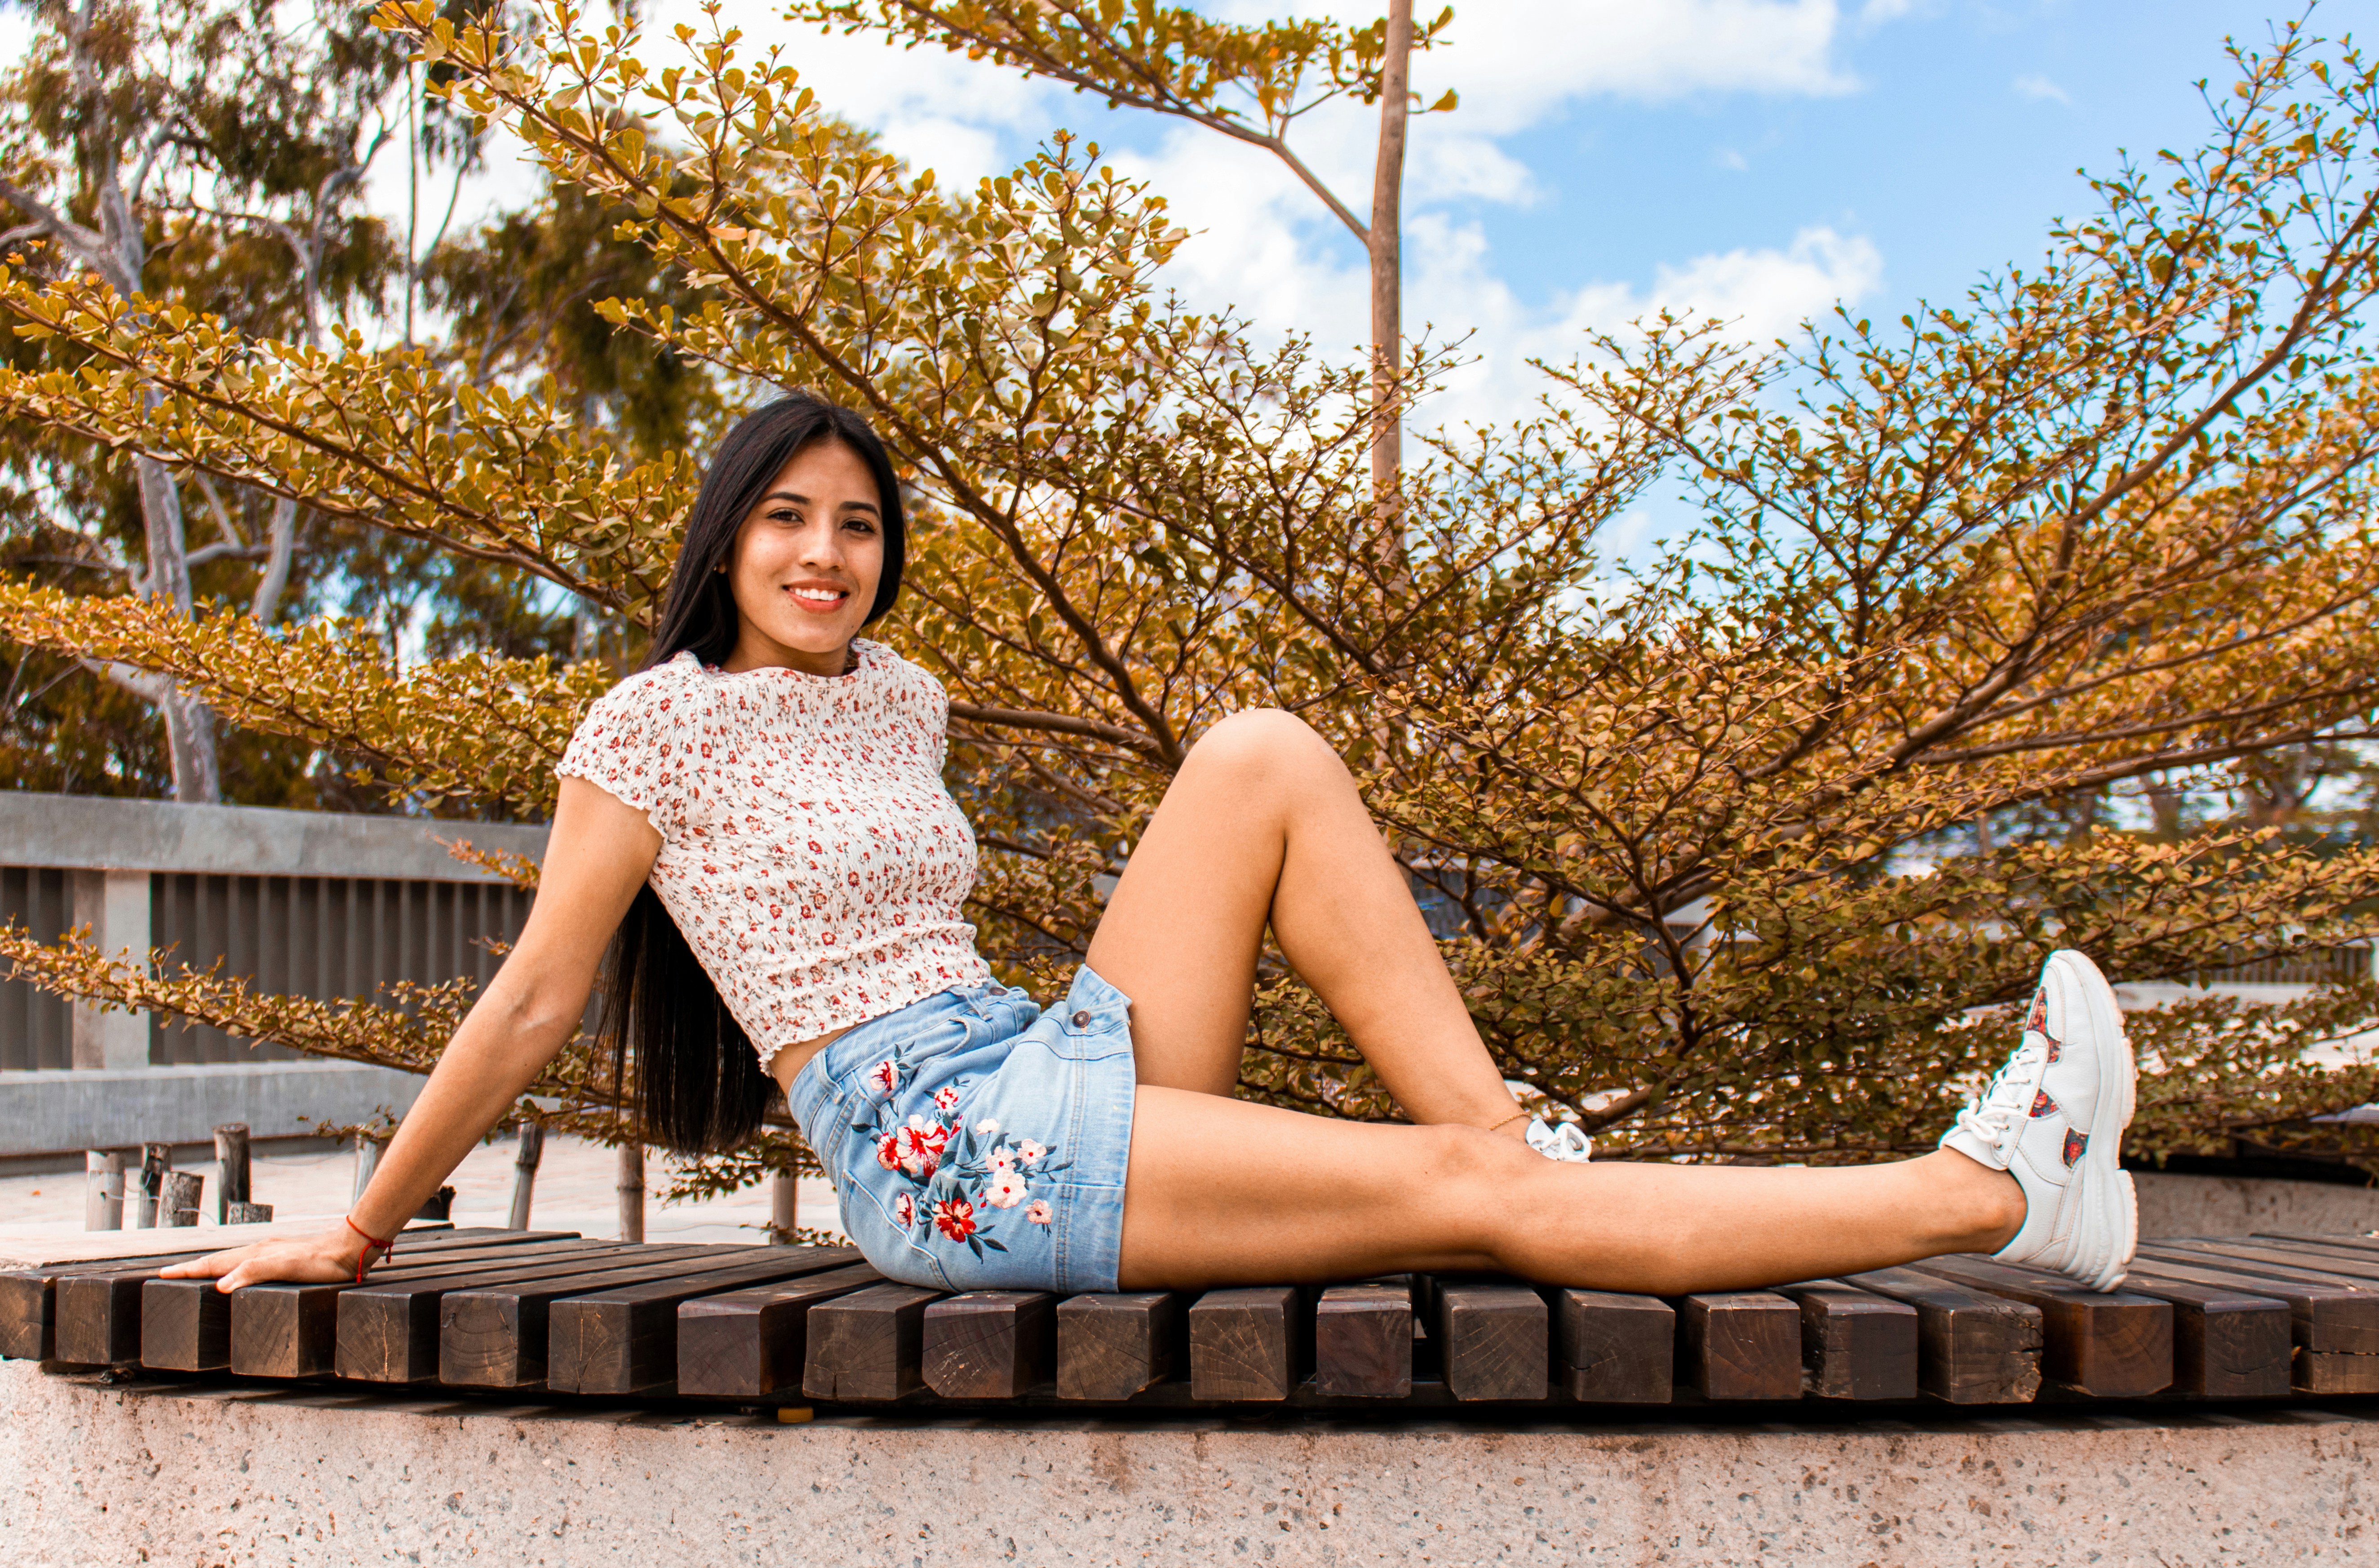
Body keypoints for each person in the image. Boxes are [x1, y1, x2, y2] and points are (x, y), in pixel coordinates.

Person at [165, 394, 2139, 1302]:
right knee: (1475, 1200)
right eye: (787, 518)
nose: (826, 555)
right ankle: (1986, 1194)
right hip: (939, 1150)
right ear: (727, 538)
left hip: (1030, 1058)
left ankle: (1510, 1145)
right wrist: (362, 1227)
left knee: (1262, 751)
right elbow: (535, 996)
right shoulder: (649, 723)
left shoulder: (904, 698)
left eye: (858, 523)